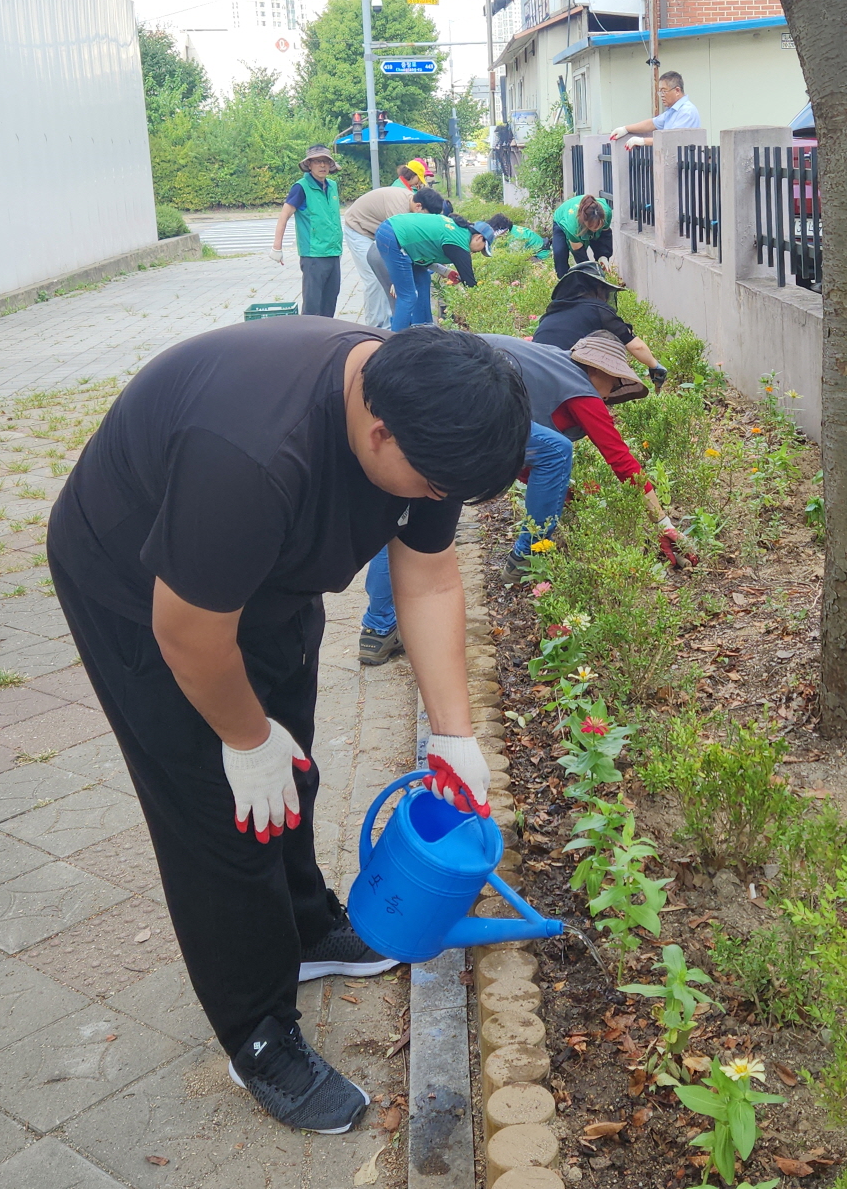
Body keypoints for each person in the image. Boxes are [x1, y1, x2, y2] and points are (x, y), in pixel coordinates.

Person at [47, 320, 530, 1134]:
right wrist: (243, 738)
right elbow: (190, 636)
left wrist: (454, 733)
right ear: (379, 433)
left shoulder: (426, 418)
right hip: (143, 596)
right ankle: (256, 1032)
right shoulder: (253, 454)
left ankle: (303, 925)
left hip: (262, 584)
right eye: (432, 485)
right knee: (222, 810)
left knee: (291, 767)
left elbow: (430, 580)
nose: (435, 500)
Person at [358, 331, 694, 660]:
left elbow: (514, 452)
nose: (610, 395)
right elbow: (622, 462)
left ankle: (377, 630)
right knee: (556, 450)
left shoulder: (550, 367)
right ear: (598, 370)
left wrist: (563, 494)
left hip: (428, 386)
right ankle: (527, 555)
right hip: (456, 391)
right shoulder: (582, 391)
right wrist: (663, 524)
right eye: (613, 383)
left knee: (412, 506)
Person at [532, 261, 668, 390]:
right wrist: (654, 365)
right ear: (597, 288)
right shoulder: (597, 309)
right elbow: (635, 345)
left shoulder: (551, 313)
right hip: (564, 371)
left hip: (534, 369)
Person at [341, 179, 440, 329]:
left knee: (393, 282)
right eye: (426, 216)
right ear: (419, 207)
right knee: (374, 278)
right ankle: (376, 328)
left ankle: (393, 322)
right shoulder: (400, 212)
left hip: (379, 232)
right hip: (359, 229)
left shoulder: (413, 205)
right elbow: (396, 249)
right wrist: (397, 277)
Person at [374, 211, 484, 334]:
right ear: (479, 238)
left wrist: (446, 272)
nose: (479, 253)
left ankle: (422, 330)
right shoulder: (460, 243)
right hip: (393, 236)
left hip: (396, 233)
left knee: (423, 279)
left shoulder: (459, 231)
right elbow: (470, 283)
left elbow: (425, 250)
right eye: (483, 248)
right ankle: (392, 342)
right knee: (408, 297)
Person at [270, 147, 343, 317]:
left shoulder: (332, 186)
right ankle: (309, 342)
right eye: (318, 161)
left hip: (333, 252)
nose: (322, 165)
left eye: (326, 161)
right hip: (313, 255)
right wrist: (277, 247)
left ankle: (326, 340)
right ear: (309, 164)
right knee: (312, 305)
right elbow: (284, 215)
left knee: (330, 302)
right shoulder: (301, 187)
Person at [607, 70, 700, 143]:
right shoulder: (672, 111)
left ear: (677, 91)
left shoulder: (686, 111)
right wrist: (625, 129)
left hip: (686, 164)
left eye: (664, 91)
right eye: (660, 92)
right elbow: (652, 123)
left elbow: (672, 139)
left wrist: (643, 141)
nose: (662, 95)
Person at [550, 192, 612, 277]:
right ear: (584, 222)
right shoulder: (573, 226)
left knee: (601, 249)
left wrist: (603, 256)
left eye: (598, 226)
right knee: (560, 254)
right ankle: (566, 283)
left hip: (587, 220)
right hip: (562, 220)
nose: (596, 229)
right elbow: (580, 255)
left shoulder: (607, 212)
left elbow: (604, 237)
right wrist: (589, 273)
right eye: (592, 227)